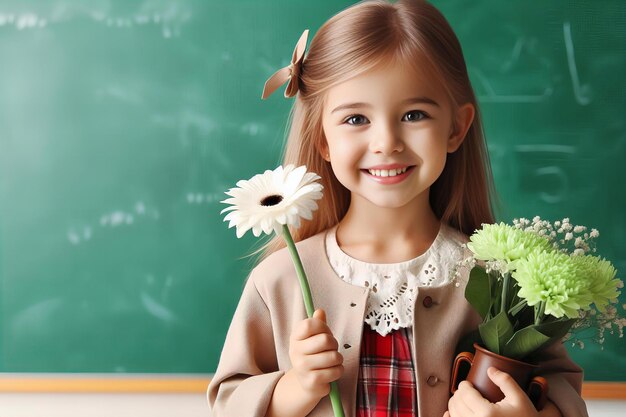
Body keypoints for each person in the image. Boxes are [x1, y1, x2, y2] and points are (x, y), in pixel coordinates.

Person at [208, 1, 589, 416]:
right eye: (355, 119)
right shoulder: (279, 279)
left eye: (413, 114)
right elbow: (229, 399)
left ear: (456, 128)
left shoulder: (499, 278)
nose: (386, 142)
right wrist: (296, 387)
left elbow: (561, 390)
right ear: (322, 140)